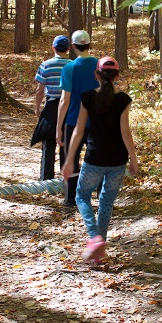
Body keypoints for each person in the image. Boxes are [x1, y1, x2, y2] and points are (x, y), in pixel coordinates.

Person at [62, 56, 138, 263]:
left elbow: (78, 131)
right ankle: (99, 248)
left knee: (81, 196)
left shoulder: (87, 97)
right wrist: (133, 159)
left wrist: (69, 160)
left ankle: (95, 238)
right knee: (106, 201)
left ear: (96, 75)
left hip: (94, 159)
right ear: (117, 76)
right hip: (117, 161)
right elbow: (126, 133)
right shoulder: (123, 99)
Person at [56, 30, 99, 206]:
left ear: (73, 47)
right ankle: (100, 196)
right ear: (90, 44)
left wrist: (58, 127)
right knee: (97, 157)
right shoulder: (100, 65)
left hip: (73, 121)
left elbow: (64, 100)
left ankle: (70, 199)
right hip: (97, 121)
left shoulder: (69, 68)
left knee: (70, 159)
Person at [33, 35, 71, 180]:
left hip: (51, 106)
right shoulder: (72, 65)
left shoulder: (46, 65)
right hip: (69, 105)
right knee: (66, 142)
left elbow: (40, 89)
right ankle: (66, 179)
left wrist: (37, 107)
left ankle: (46, 179)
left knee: (48, 142)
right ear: (68, 49)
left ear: (53, 48)